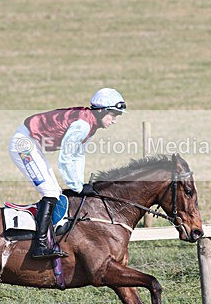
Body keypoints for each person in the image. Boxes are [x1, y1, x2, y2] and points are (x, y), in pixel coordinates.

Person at [9, 88, 127, 258]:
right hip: (24, 144)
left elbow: (78, 156)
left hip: (32, 143)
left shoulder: (91, 125)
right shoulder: (83, 125)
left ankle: (47, 238)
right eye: (113, 114)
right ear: (101, 111)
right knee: (50, 192)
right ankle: (40, 245)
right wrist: (76, 187)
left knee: (55, 192)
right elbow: (66, 157)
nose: (114, 120)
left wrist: (80, 183)